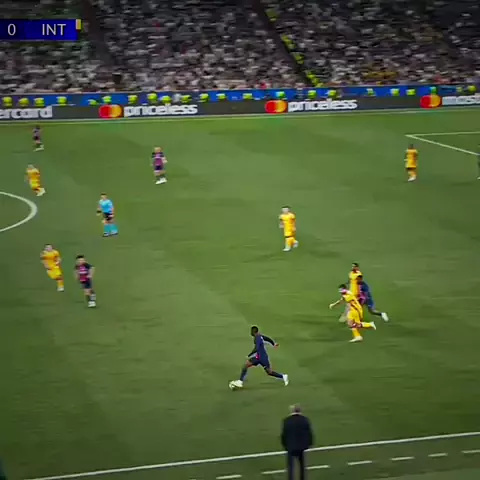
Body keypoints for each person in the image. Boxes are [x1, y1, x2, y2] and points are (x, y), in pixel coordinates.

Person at [281, 404, 314, 480]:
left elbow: (284, 434)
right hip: (301, 446)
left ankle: (290, 478)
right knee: (302, 465)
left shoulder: (287, 420)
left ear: (292, 411)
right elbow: (309, 433)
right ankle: (302, 478)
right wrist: (309, 444)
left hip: (290, 446)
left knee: (290, 466)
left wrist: (284, 445)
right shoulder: (305, 420)